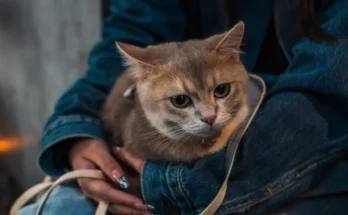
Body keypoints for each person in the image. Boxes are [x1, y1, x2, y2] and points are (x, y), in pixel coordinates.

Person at [17, 0, 348, 214]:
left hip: (307, 162)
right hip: (183, 171)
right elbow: (132, 32)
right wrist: (78, 130)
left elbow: (320, 102)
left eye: (218, 92)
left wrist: (168, 186)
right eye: (181, 100)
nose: (207, 115)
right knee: (55, 209)